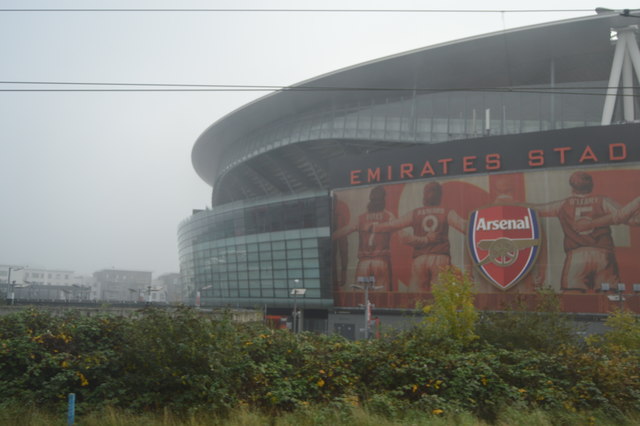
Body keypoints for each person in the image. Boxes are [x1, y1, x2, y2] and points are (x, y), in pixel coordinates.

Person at [536, 171, 620, 292]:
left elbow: (538, 209)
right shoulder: (603, 201)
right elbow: (624, 215)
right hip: (603, 253)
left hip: (576, 255)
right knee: (608, 296)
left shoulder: (562, 204)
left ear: (572, 187)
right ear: (591, 185)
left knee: (573, 296)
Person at [373, 181, 466, 291]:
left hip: (420, 258)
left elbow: (393, 225)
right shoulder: (446, 212)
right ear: (439, 195)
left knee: (416, 294)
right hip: (440, 256)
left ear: (424, 195)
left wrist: (375, 227)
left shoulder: (415, 213)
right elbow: (463, 226)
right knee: (441, 294)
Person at [333, 186, 395, 290]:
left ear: (370, 198)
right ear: (383, 199)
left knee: (360, 297)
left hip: (364, 263)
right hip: (381, 261)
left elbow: (340, 233)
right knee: (383, 297)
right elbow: (402, 233)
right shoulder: (389, 216)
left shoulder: (361, 218)